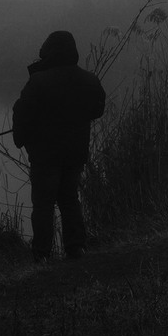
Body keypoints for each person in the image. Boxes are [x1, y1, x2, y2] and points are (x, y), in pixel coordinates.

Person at [12, 30, 106, 262]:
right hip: (75, 154)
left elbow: (22, 115)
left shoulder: (38, 82)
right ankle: (76, 248)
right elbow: (97, 110)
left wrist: (22, 139)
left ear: (49, 53)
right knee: (69, 199)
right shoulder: (90, 80)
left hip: (45, 157)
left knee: (43, 204)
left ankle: (41, 255)